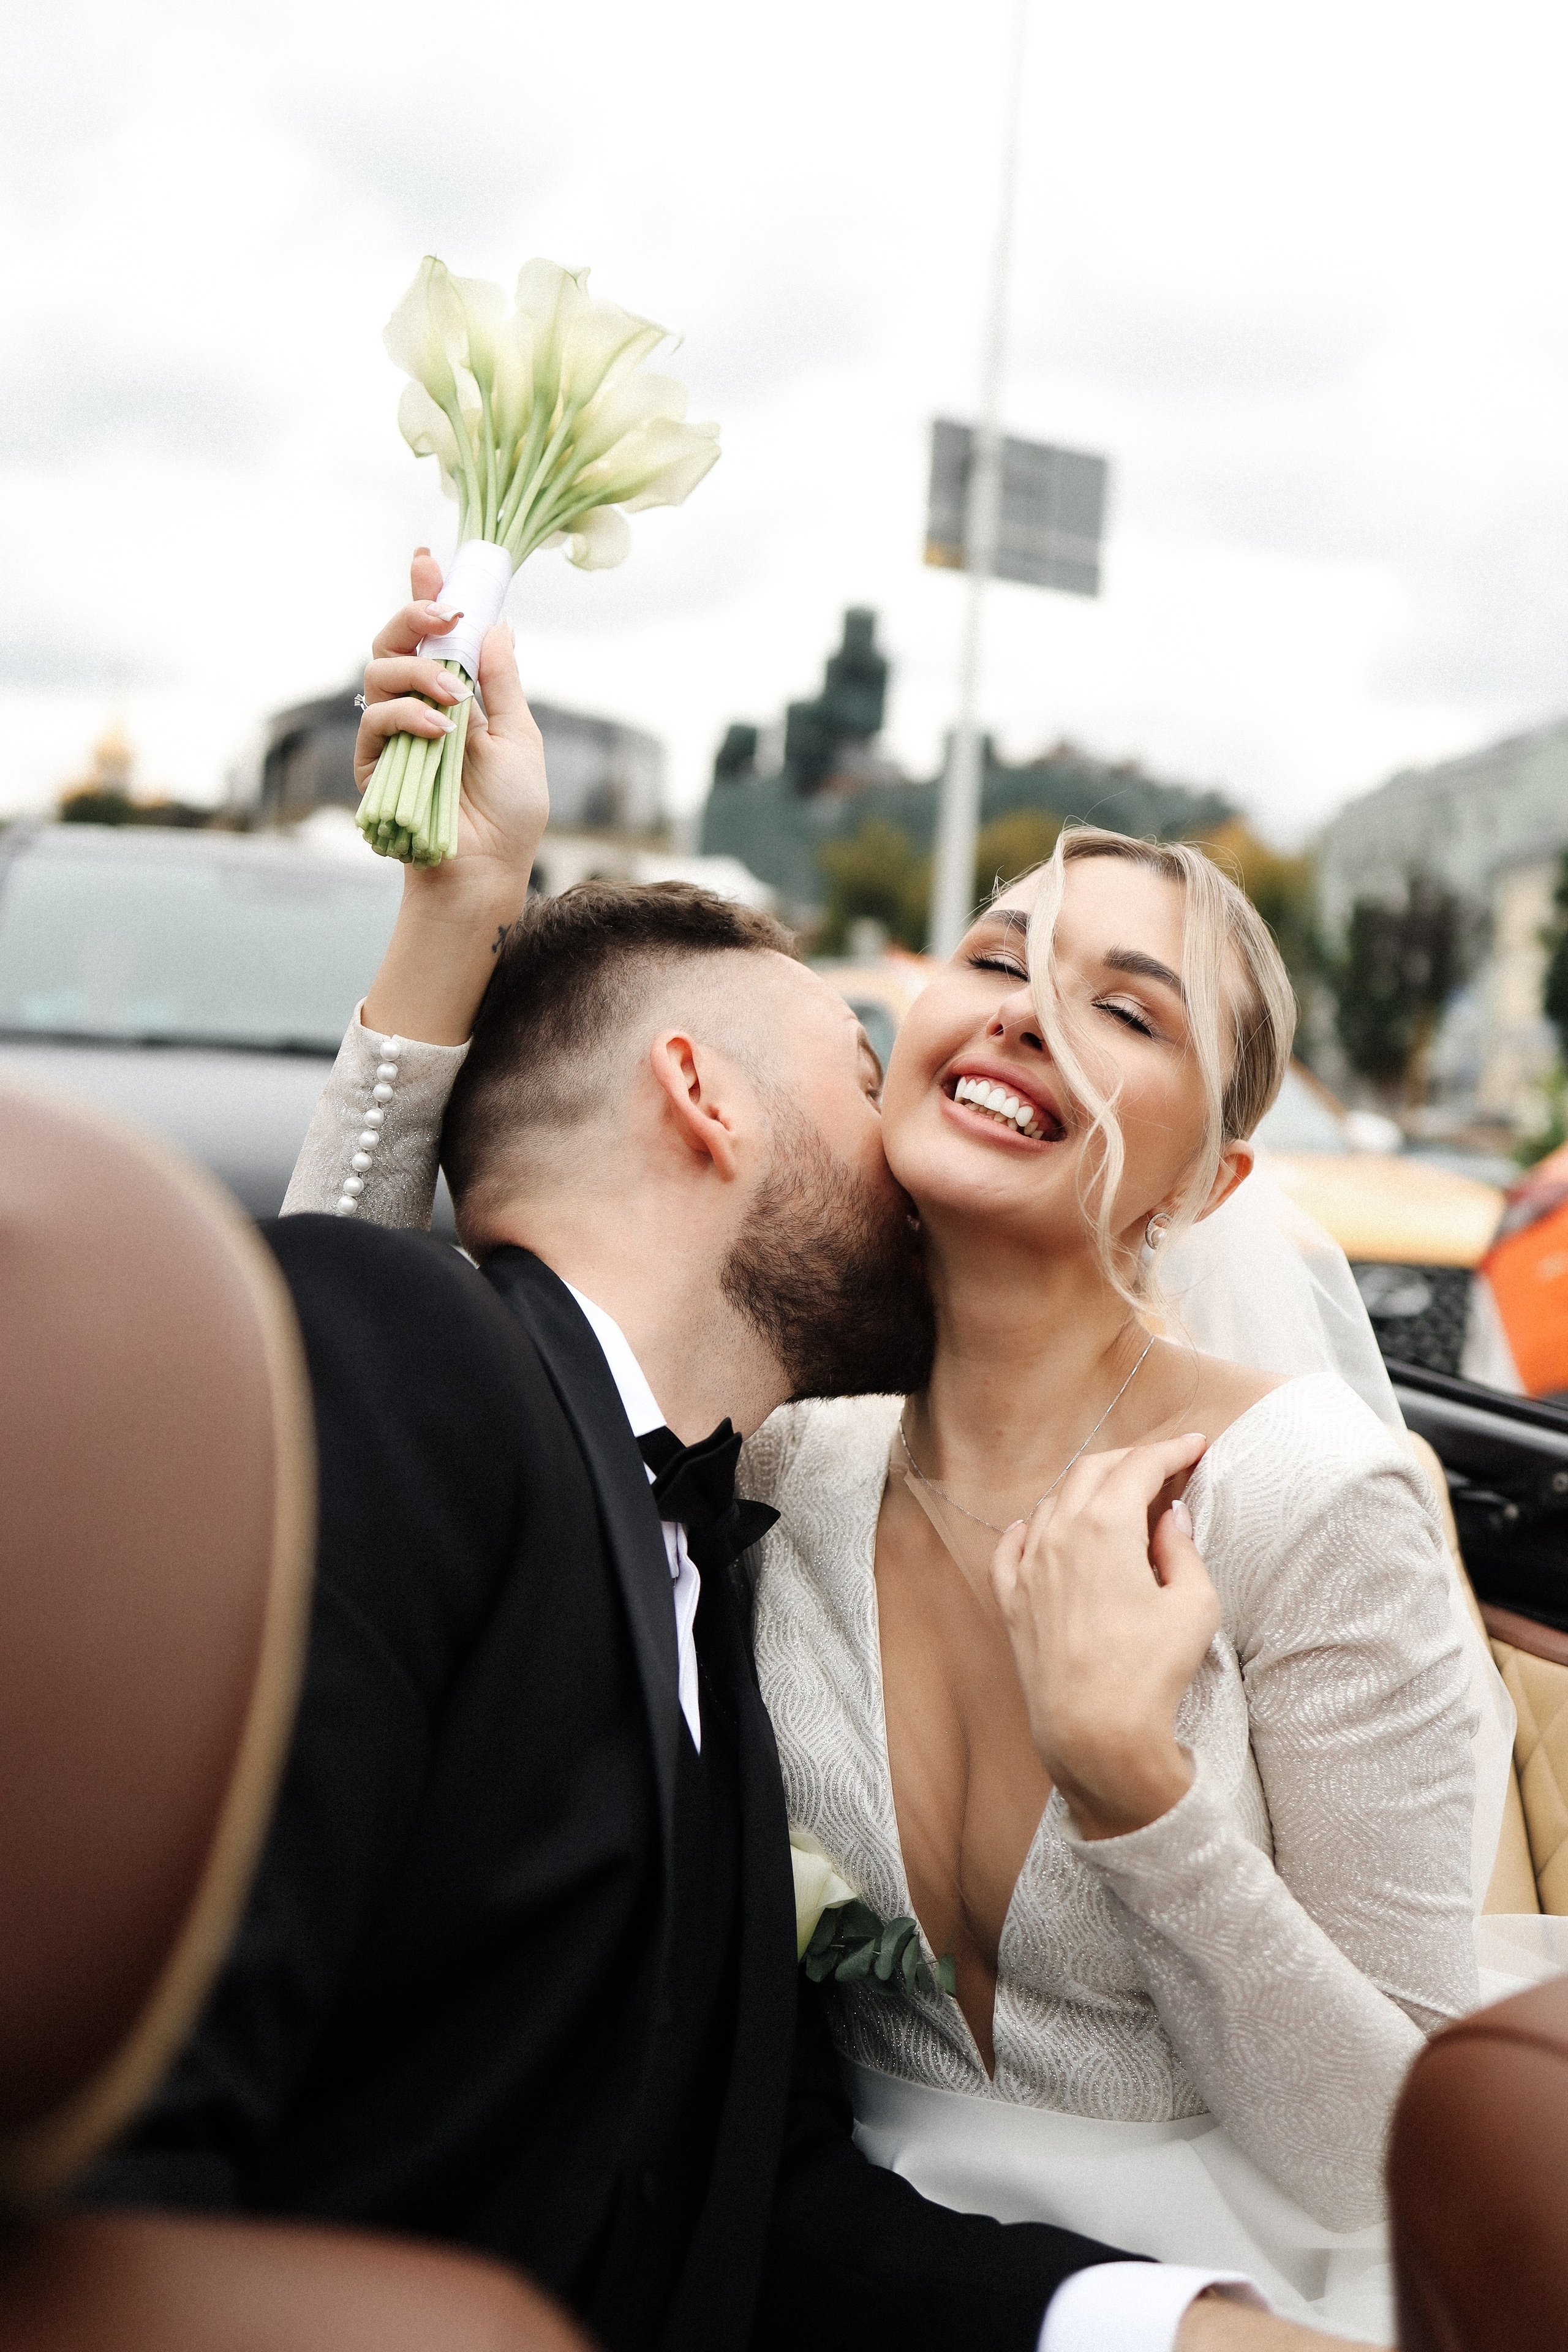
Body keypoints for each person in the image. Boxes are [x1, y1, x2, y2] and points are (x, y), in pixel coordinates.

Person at [87, 562, 1338, 2352]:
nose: (911, 1129)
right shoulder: (418, 1372)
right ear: (704, 1095)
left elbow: (768, 2213)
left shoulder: (741, 1573)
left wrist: (1175, 2334)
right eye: (850, 1052)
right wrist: (457, 918)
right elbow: (133, 2112)